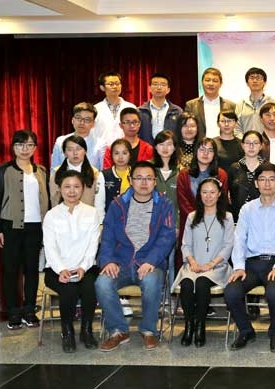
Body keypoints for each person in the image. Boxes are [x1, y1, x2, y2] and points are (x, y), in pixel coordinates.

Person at [95, 161, 176, 351]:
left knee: (151, 281)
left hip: (149, 262)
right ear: (131, 180)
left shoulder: (164, 204)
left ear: (155, 182)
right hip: (121, 262)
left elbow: (167, 237)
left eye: (148, 178)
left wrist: (151, 261)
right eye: (139, 178)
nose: (144, 182)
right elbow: (107, 236)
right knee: (102, 283)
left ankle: (148, 330)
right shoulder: (118, 204)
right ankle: (118, 330)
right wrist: (108, 261)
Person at [225, 163, 275, 353]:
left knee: (274, 292)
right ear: (256, 183)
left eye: (271, 179)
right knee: (231, 292)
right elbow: (239, 239)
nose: (267, 183)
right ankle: (246, 331)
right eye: (262, 179)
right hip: (251, 264)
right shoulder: (247, 209)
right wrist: (239, 267)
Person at [0, 130, 49, 330]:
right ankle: (14, 312)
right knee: (11, 270)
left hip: (36, 227)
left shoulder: (41, 171)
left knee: (32, 270)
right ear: (13, 147)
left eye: (30, 145)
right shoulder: (3, 170)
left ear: (35, 148)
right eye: (20, 144)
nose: (25, 149)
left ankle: (29, 310)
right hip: (11, 227)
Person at [42, 170, 101, 352]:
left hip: (86, 267)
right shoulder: (51, 215)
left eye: (76, 186)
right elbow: (50, 248)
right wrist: (61, 269)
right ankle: (67, 332)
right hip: (56, 269)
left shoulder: (92, 213)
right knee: (68, 289)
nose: (72, 191)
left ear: (83, 189)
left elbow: (93, 245)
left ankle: (86, 330)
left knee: (90, 287)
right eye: (67, 186)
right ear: (60, 188)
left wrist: (83, 267)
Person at [173, 177, 234, 348]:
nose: (208, 196)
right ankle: (189, 325)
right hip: (193, 265)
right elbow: (185, 244)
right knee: (186, 284)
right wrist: (192, 262)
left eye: (212, 192)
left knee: (201, 283)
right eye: (204, 192)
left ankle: (200, 326)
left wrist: (211, 264)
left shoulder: (227, 217)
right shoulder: (192, 217)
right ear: (199, 194)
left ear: (219, 194)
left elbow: (228, 245)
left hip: (217, 267)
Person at [177, 138, 229, 258]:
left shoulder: (221, 174)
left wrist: (208, 219)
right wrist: (198, 218)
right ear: (196, 152)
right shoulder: (184, 174)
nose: (206, 153)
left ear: (214, 154)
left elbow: (222, 200)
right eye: (202, 150)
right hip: (190, 223)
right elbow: (183, 201)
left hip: (214, 223)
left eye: (210, 150)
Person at [49, 135, 106, 223]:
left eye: (78, 149)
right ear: (64, 153)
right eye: (70, 149)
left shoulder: (95, 174)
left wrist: (99, 223)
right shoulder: (56, 174)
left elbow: (99, 204)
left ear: (85, 151)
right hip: (62, 221)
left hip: (88, 221)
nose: (75, 153)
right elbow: (54, 201)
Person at [153, 130, 180, 288]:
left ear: (175, 147)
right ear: (155, 147)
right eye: (161, 144)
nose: (165, 148)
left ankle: (171, 296)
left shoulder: (182, 172)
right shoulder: (149, 169)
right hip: (151, 226)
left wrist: (177, 225)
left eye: (169, 144)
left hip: (173, 226)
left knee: (172, 263)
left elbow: (182, 203)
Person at [51, 102, 107, 171]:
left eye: (87, 119)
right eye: (78, 118)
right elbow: (54, 169)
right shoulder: (61, 141)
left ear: (93, 123)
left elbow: (103, 172)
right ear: (72, 120)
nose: (82, 122)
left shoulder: (100, 144)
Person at [184, 67, 236, 139]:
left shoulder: (231, 105)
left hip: (224, 144)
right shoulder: (191, 105)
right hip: (200, 145)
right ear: (202, 82)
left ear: (221, 84)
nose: (211, 84)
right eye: (207, 80)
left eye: (215, 81)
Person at [138, 72, 184, 144]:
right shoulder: (140, 111)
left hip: (169, 149)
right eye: (155, 84)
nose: (159, 87)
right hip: (147, 149)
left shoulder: (177, 111)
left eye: (163, 85)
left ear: (168, 90)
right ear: (149, 88)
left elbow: (181, 135)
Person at [229, 130, 265, 221]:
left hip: (263, 217)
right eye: (248, 143)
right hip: (238, 218)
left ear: (261, 146)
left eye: (255, 143)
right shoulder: (234, 168)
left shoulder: (267, 168)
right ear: (242, 145)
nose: (251, 146)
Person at [92, 72, 137, 143]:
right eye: (111, 84)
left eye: (117, 83)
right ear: (102, 87)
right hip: (102, 148)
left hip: (126, 147)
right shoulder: (95, 109)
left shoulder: (131, 107)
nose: (115, 86)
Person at [237, 67, 275, 135]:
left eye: (258, 78)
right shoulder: (241, 104)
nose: (255, 81)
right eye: (252, 78)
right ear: (247, 82)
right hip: (245, 141)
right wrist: (245, 140)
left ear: (264, 82)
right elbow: (236, 129)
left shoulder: (272, 103)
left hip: (266, 141)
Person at [101, 139, 132, 214]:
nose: (120, 157)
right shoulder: (103, 175)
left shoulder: (136, 174)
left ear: (130, 155)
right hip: (110, 217)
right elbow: (99, 203)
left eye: (124, 153)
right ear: (111, 155)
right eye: (116, 153)